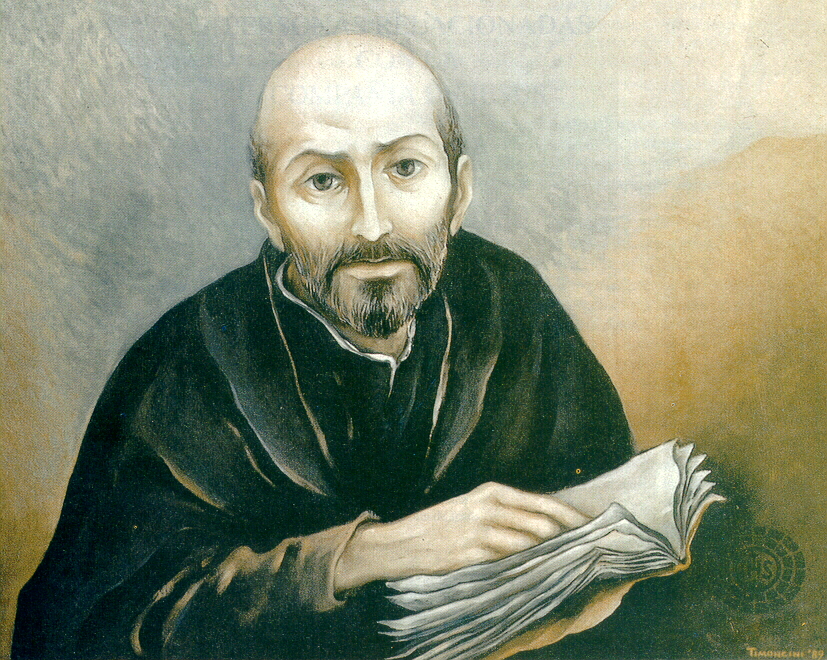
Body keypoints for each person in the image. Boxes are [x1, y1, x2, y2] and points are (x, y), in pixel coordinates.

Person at [12, 35, 634, 659]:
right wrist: (363, 555)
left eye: (405, 168)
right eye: (322, 180)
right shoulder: (180, 366)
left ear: (459, 191)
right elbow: (84, 630)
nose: (372, 225)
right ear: (269, 213)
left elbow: (612, 525)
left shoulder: (509, 301)